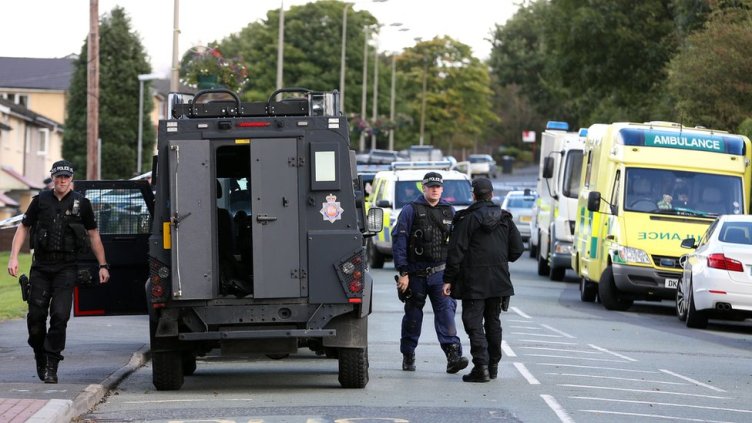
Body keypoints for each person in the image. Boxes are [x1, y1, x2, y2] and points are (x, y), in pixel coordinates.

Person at [6, 160, 110, 384]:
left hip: (66, 268)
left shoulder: (82, 203)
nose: (62, 181)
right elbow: (23, 227)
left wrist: (103, 265)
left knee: (60, 316)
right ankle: (40, 353)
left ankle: (52, 364)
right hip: (41, 267)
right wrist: (13, 257)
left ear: (71, 179)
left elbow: (93, 234)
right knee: (36, 318)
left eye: (66, 177)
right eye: (58, 176)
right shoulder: (40, 201)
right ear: (52, 178)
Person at [442, 177, 524, 382]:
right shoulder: (505, 218)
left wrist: (448, 279)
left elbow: (455, 252)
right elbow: (517, 249)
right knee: (493, 321)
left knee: (473, 323)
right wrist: (499, 259)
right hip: (499, 280)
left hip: (473, 281)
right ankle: (493, 366)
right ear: (492, 194)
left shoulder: (467, 219)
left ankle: (481, 367)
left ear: (474, 195)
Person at [392, 171, 469, 374]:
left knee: (446, 314)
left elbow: (456, 246)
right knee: (413, 317)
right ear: (423, 188)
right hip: (415, 274)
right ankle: (408, 353)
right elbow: (399, 241)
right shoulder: (410, 210)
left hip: (440, 274)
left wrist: (454, 276)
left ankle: (453, 356)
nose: (435, 190)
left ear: (442, 189)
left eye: (438, 187)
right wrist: (403, 272)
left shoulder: (449, 211)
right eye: (431, 186)